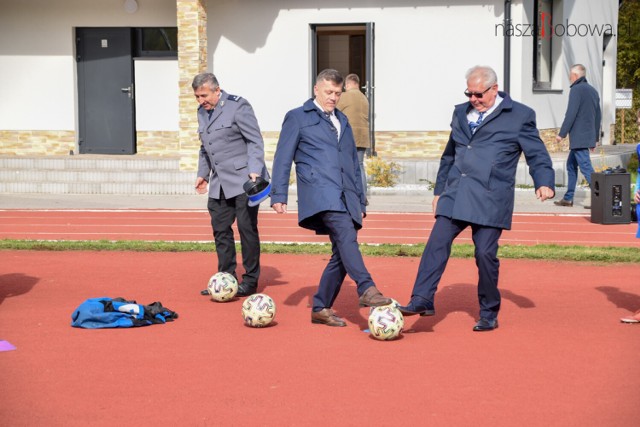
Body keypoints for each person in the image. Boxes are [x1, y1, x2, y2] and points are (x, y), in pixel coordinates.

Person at [398, 65, 555, 331]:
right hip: (456, 193)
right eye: (469, 93)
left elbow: (536, 153)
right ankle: (421, 299)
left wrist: (544, 182)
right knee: (436, 244)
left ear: (494, 89)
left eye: (479, 94)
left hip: (490, 197)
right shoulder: (460, 112)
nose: (473, 99)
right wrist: (439, 191)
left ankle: (488, 311)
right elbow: (449, 154)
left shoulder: (520, 116)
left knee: (484, 255)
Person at [270, 69, 391, 327]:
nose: (333, 98)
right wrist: (278, 193)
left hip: (346, 194)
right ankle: (367, 288)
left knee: (342, 252)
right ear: (316, 90)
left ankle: (320, 307)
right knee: (346, 236)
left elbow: (351, 163)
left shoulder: (342, 120)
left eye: (337, 93)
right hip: (320, 191)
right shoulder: (297, 117)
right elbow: (283, 157)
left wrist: (360, 198)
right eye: (329, 92)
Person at [192, 73, 269, 297]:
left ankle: (251, 281)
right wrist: (202, 174)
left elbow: (255, 140)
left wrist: (255, 169)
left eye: (204, 95)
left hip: (243, 181)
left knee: (247, 231)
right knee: (220, 231)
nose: (201, 101)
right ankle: (226, 278)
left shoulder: (238, 106)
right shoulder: (201, 113)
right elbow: (205, 148)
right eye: (197, 97)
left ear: (217, 90)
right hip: (219, 184)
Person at [554, 64, 601, 207]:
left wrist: (561, 134)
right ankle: (568, 198)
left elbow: (571, 113)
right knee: (570, 165)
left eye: (570, 75)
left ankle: (602, 199)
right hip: (587, 137)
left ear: (575, 76)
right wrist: (595, 139)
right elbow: (597, 116)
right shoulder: (593, 91)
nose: (569, 77)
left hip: (579, 138)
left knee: (586, 168)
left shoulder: (576, 90)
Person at [337, 74, 370, 203]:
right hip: (363, 137)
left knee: (344, 165)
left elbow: (333, 110)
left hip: (349, 136)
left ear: (348, 84)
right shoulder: (364, 98)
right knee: (360, 166)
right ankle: (363, 196)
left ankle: (346, 194)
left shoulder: (345, 96)